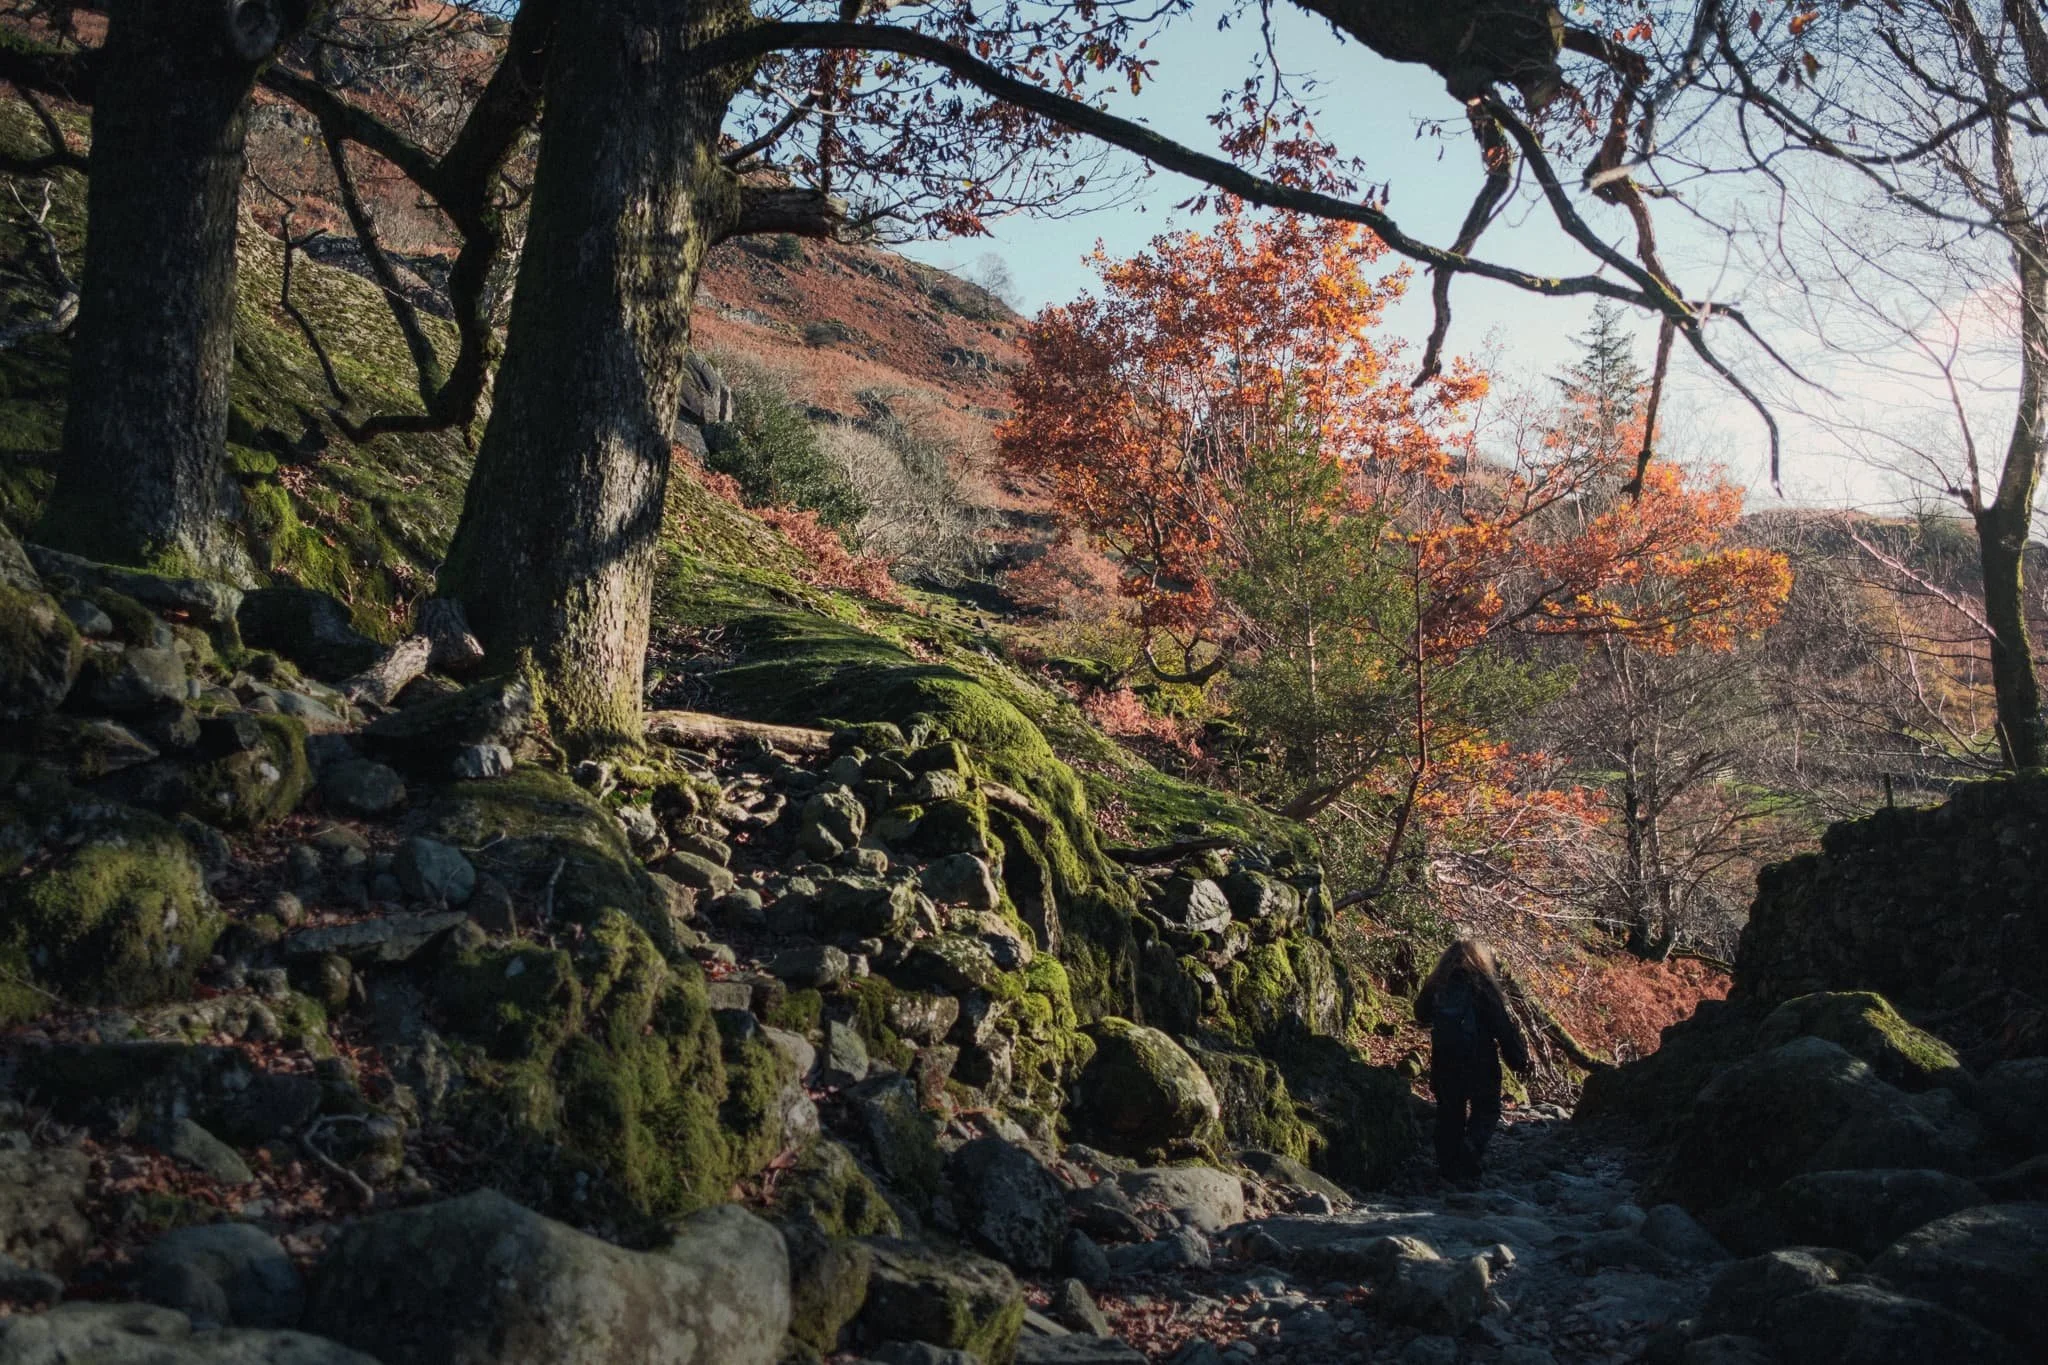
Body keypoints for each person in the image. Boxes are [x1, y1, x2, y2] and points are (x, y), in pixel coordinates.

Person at [1414, 939, 1530, 1181]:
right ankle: (1471, 1148)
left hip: (1445, 1058)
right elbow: (1502, 1027)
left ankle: (1447, 1166)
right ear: (1480, 959)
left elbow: (1420, 1013)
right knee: (1486, 1109)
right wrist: (1517, 1059)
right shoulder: (1483, 986)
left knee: (1449, 1111)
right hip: (1480, 1058)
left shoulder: (1437, 984)